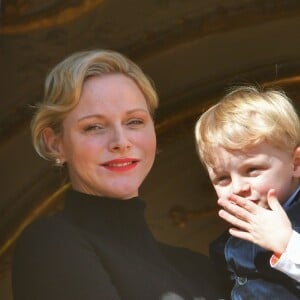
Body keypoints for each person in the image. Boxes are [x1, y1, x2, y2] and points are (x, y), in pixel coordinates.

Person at [12, 49, 224, 300]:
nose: (121, 142)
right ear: (55, 144)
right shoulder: (49, 244)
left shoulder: (199, 268)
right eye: (94, 127)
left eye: (134, 121)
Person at [194, 85, 300, 299]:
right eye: (223, 178)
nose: (237, 187)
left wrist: (287, 244)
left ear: (296, 164)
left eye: (252, 170)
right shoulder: (225, 246)